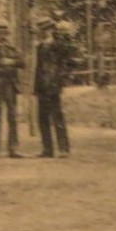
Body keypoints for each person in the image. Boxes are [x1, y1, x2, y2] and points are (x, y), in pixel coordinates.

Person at [34, 19, 74, 158]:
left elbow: (67, 63)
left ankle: (63, 149)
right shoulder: (39, 47)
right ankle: (47, 149)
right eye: (41, 30)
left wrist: (61, 79)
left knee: (57, 116)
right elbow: (38, 68)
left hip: (53, 85)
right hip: (41, 86)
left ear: (51, 30)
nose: (43, 33)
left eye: (46, 30)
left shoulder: (58, 46)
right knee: (42, 118)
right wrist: (36, 86)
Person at [0, 22, 23, 157]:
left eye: (5, 33)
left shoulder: (13, 49)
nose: (2, 36)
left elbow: (22, 62)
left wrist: (10, 62)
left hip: (11, 87)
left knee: (12, 117)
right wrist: (9, 64)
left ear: (8, 35)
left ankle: (13, 149)